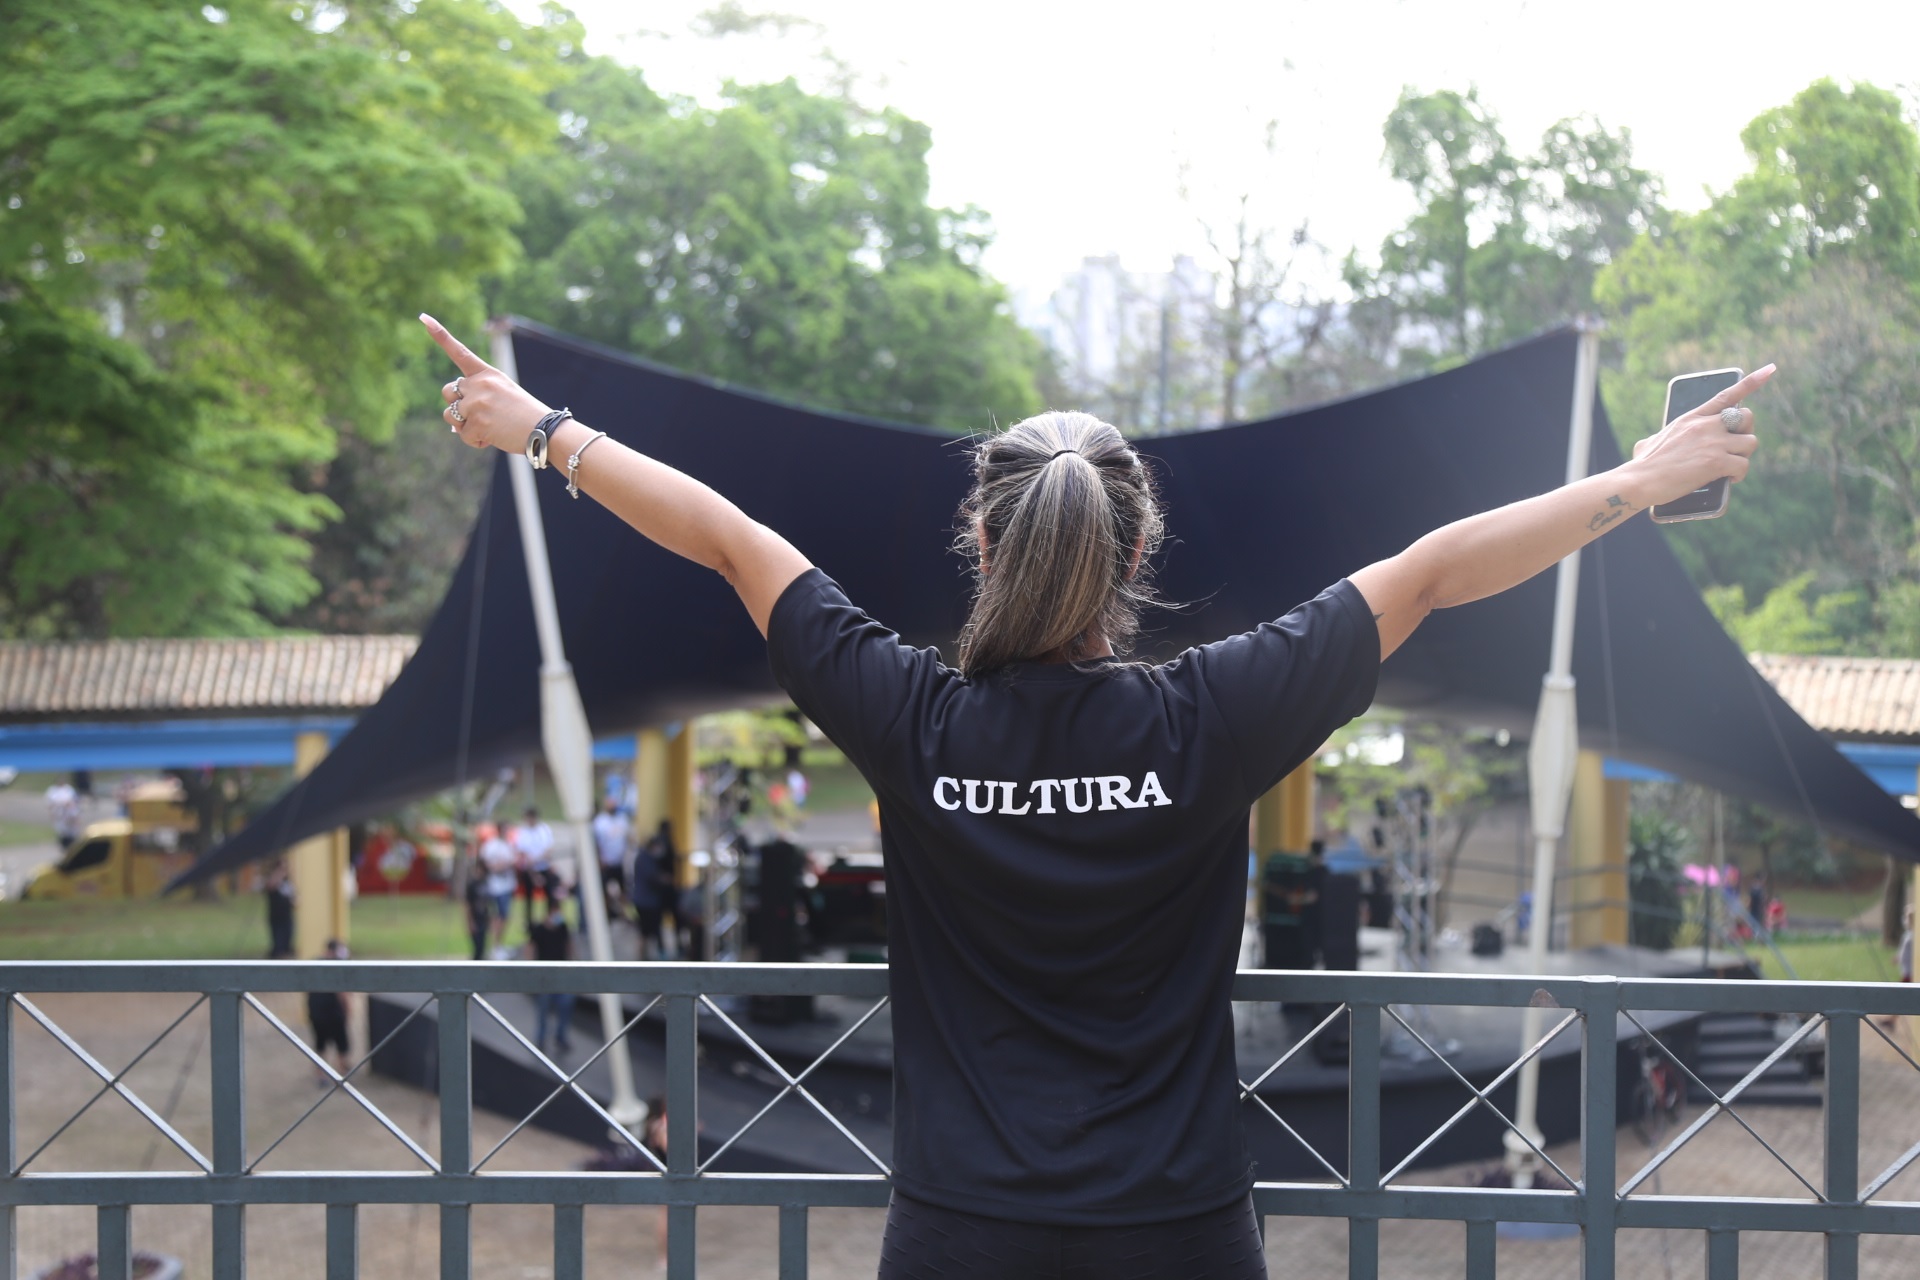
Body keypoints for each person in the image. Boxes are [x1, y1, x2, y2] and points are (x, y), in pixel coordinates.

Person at [427, 314, 1771, 1279]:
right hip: (1176, 1227)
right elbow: (1429, 571)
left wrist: (542, 431)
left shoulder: (909, 714)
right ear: (1138, 552)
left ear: (980, 540)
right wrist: (1639, 480)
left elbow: (731, 541)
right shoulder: (1210, 716)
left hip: (960, 1227)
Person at [526, 904, 574, 1056]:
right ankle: (540, 1039)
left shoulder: (563, 928)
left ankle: (561, 1037)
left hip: (562, 975)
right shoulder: (539, 930)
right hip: (544, 977)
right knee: (543, 1010)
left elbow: (569, 945)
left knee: (565, 1006)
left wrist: (574, 965)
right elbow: (530, 947)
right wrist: (530, 970)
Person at [307, 939, 353, 1083]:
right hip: (333, 1013)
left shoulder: (314, 964)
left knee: (320, 1044)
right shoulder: (337, 965)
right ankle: (342, 1073)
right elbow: (342, 992)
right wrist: (348, 1010)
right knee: (341, 1043)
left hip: (317, 1013)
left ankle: (321, 1074)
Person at [512, 805, 556, 929]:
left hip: (543, 866)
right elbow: (521, 850)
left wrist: (537, 859)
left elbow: (549, 848)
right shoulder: (523, 832)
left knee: (550, 895)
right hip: (529, 869)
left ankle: (549, 922)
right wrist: (530, 864)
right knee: (528, 898)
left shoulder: (544, 829)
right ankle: (529, 924)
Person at [477, 822, 518, 954]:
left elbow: (514, 861)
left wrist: (505, 865)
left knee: (504, 916)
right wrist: (495, 867)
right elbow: (483, 861)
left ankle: (498, 945)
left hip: (506, 886)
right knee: (495, 916)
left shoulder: (509, 846)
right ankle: (493, 946)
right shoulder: (490, 845)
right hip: (493, 887)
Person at [592, 794, 631, 912]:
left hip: (619, 862)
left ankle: (623, 913)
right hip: (606, 863)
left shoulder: (622, 820)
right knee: (603, 891)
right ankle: (606, 913)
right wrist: (599, 859)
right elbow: (596, 843)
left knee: (623, 890)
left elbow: (628, 839)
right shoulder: (600, 822)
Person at [263, 861, 295, 958]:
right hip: (276, 917)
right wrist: (278, 875)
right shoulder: (273, 882)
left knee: (287, 940)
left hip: (286, 917)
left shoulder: (287, 884)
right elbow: (270, 886)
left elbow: (294, 900)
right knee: (278, 942)